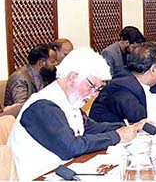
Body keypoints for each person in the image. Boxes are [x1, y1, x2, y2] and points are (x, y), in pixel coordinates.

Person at [7, 48, 144, 181]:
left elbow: (94, 128)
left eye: (98, 89)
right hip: (39, 177)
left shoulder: (69, 101)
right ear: (73, 77)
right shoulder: (43, 106)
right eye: (92, 87)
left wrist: (133, 127)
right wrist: (117, 136)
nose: (94, 94)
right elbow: (70, 147)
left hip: (63, 172)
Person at [90, 42, 156, 123]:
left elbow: (154, 100)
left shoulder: (137, 82)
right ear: (153, 70)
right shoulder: (122, 88)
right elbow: (141, 118)